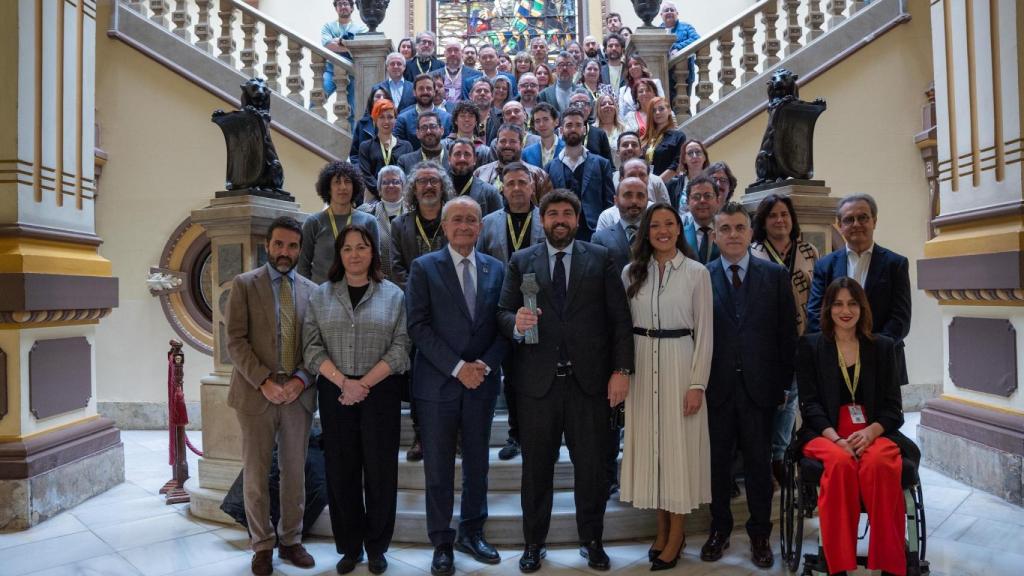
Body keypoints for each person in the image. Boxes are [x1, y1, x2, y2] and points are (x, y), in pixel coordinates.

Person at [497, 189, 634, 573]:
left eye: (567, 214)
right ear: (542, 221)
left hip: (589, 385)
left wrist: (621, 371)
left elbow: (620, 321)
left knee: (591, 470)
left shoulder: (601, 258)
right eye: (552, 213)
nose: (560, 219)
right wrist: (516, 325)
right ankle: (533, 543)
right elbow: (503, 313)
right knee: (535, 470)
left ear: (577, 219)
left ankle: (592, 540)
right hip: (537, 386)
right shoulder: (521, 260)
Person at [406, 197, 508, 576]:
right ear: (445, 227)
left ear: (480, 227)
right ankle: (442, 541)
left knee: (478, 464)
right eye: (457, 220)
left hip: (481, 383)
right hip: (438, 385)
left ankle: (472, 531)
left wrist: (485, 364)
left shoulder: (497, 269)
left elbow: (504, 324)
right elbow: (417, 326)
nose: (464, 226)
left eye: (471, 220)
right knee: (438, 466)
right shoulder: (423, 268)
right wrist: (456, 367)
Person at [302, 224, 410, 575]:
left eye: (361, 247)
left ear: (372, 252)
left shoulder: (392, 295)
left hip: (380, 390)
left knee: (380, 472)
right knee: (341, 472)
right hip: (335, 393)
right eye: (347, 248)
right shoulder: (321, 295)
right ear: (339, 255)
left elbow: (401, 347)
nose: (354, 254)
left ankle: (377, 547)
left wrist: (362, 383)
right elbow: (312, 347)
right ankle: (350, 547)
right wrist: (344, 383)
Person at [795, 277, 918, 576]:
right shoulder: (811, 346)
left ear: (862, 308)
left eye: (852, 303)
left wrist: (870, 432)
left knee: (879, 463)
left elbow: (893, 408)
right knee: (840, 463)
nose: (845, 310)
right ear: (828, 309)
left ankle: (889, 562)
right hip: (826, 432)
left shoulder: (883, 347)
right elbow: (809, 405)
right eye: (838, 304)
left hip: (874, 431)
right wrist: (837, 439)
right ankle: (839, 563)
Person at [701, 202, 797, 569]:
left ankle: (760, 535)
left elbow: (786, 335)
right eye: (725, 229)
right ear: (715, 235)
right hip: (717, 387)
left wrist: (783, 385)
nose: (733, 235)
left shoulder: (774, 276)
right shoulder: (701, 276)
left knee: (759, 466)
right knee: (718, 466)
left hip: (761, 389)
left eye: (740, 227)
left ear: (751, 232)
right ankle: (719, 529)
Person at [620, 203, 713, 570]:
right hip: (643, 367)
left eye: (669, 224)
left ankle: (677, 534)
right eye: (655, 224)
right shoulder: (632, 272)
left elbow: (705, 333)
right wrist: (623, 371)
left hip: (680, 364)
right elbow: (621, 328)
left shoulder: (696, 273)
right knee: (655, 453)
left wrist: (697, 384)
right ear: (647, 231)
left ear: (679, 229)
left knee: (678, 453)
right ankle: (661, 528)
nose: (662, 230)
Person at [226, 217, 318, 576]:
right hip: (255, 393)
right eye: (279, 244)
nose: (285, 252)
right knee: (256, 473)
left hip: (298, 393)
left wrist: (300, 380)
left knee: (294, 472)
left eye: (292, 246)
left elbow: (316, 345)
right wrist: (264, 380)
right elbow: (235, 340)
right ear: (268, 245)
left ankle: (291, 540)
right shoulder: (245, 285)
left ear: (299, 249)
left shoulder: (312, 290)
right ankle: (262, 544)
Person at [477, 162, 546, 463]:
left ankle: (544, 436)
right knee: (513, 379)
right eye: (511, 183)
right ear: (501, 188)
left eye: (522, 182)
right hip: (502, 312)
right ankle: (515, 435)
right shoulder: (489, 222)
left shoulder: (546, 217)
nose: (517, 188)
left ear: (532, 186)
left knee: (541, 378)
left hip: (541, 309)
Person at [750, 193, 820, 484]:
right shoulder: (753, 251)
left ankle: (780, 456)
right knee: (775, 399)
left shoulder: (809, 251)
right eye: (773, 215)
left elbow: (820, 294)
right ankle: (767, 455)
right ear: (763, 222)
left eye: (785, 215)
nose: (780, 220)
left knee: (793, 399)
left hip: (803, 336)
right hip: (766, 341)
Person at [806, 193, 912, 383]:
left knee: (883, 414)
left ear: (874, 221)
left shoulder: (895, 264)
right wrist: (839, 347)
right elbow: (815, 313)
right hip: (836, 361)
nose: (856, 224)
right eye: (849, 219)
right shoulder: (825, 265)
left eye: (863, 217)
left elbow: (900, 319)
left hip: (883, 360)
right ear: (840, 225)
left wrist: (872, 348)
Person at [389, 162, 453, 462]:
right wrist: (420, 293)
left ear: (443, 187)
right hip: (415, 312)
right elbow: (395, 266)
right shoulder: (400, 225)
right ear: (413, 189)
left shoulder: (454, 219)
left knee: (454, 372)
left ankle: (457, 434)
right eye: (422, 182)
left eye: (434, 181)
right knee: (420, 378)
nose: (428, 186)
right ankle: (421, 434)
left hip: (454, 307)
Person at [299, 161, 381, 284]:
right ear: (328, 189)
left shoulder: (369, 221)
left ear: (354, 187)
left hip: (358, 294)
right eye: (337, 182)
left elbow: (375, 263)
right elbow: (302, 266)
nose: (343, 187)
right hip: (321, 296)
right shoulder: (313, 222)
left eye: (347, 182)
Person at [544, 108, 615, 242]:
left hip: (594, 232)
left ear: (585, 129)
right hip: (561, 232)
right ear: (561, 131)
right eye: (569, 125)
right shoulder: (549, 167)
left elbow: (609, 203)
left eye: (578, 125)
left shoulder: (601, 164)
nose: (573, 129)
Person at [474, 123, 553, 202]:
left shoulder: (539, 176)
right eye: (503, 141)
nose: (507, 145)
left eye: (513, 141)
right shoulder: (480, 173)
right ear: (496, 144)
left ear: (521, 144)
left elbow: (547, 209)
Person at [592, 176, 647, 284]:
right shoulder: (600, 238)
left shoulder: (656, 235)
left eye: (640, 196)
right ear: (616, 200)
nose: (634, 201)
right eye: (628, 195)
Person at [359, 99, 413, 202]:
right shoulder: (365, 147)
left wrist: (397, 191)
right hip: (374, 199)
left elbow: (409, 174)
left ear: (395, 120)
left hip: (401, 198)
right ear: (375, 120)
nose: (386, 121)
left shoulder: (406, 146)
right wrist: (383, 191)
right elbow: (366, 175)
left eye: (390, 117)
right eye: (381, 117)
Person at [358, 166, 405, 280]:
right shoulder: (365, 212)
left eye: (395, 181)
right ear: (379, 189)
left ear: (403, 187)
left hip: (407, 280)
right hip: (375, 279)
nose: (391, 185)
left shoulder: (415, 213)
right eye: (385, 182)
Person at [600, 158, 670, 230]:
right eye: (631, 175)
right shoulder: (607, 217)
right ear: (621, 179)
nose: (637, 179)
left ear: (648, 178)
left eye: (642, 175)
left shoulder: (659, 214)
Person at [320, 0, 368, 104]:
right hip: (330, 70)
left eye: (345, 3)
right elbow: (328, 45)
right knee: (318, 97)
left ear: (351, 7)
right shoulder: (328, 26)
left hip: (352, 71)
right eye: (339, 4)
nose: (343, 6)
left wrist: (338, 41)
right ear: (336, 8)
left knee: (352, 110)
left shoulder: (361, 29)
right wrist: (350, 45)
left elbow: (360, 48)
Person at [395, 74, 453, 151]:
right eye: (421, 89)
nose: (425, 92)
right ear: (414, 92)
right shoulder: (403, 119)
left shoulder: (447, 118)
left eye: (428, 88)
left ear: (434, 92)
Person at [449, 138, 504, 215]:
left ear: (475, 160)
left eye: (467, 154)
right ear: (449, 159)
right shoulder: (440, 190)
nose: (462, 159)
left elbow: (499, 223)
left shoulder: (490, 193)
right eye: (457, 154)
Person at [642, 97, 686, 184]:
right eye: (654, 111)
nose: (657, 112)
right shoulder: (646, 139)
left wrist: (657, 183)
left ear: (669, 111)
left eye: (661, 109)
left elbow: (677, 165)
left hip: (667, 186)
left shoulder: (678, 136)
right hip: (646, 186)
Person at [681, 174, 721, 264]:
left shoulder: (728, 232)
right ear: (687, 202)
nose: (702, 200)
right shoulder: (679, 236)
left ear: (717, 201)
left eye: (708, 196)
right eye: (696, 197)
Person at [348, 88, 392, 165]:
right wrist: (360, 171)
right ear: (372, 101)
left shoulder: (395, 123)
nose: (381, 99)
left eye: (384, 97)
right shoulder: (362, 124)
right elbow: (354, 155)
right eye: (378, 96)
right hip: (364, 172)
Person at [666, 139, 709, 211]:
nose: (694, 156)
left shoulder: (714, 182)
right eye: (690, 153)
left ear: (704, 157)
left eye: (698, 152)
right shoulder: (673, 185)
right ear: (684, 159)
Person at [434, 40, 480, 107]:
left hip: (465, 114)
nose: (453, 53)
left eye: (456, 50)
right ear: (444, 53)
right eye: (449, 50)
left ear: (461, 53)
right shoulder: (432, 75)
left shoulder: (476, 75)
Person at [521, 103, 562, 169]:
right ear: (534, 126)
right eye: (537, 121)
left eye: (546, 119)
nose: (541, 124)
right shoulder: (526, 153)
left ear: (556, 122)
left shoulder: (567, 150)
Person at [595, 94, 626, 167]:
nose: (607, 105)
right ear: (597, 109)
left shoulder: (625, 129)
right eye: (603, 104)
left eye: (610, 103)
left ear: (615, 107)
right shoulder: (592, 130)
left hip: (620, 172)